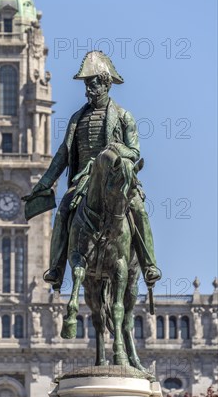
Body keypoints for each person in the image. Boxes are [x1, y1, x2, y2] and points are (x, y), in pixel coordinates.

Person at [30, 51, 161, 290]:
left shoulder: (123, 116)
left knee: (139, 210)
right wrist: (44, 183)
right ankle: (56, 268)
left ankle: (149, 264)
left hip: (115, 179)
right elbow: (63, 154)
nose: (88, 90)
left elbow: (135, 151)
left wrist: (116, 151)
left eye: (92, 85)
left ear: (106, 84)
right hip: (82, 182)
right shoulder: (77, 118)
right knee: (61, 214)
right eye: (86, 85)